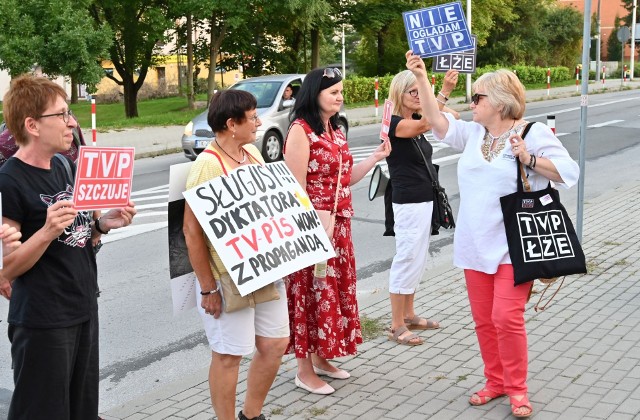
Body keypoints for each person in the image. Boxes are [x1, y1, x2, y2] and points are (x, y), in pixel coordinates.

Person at [405, 50, 579, 418]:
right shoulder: (472, 134)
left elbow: (569, 172)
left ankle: (517, 389)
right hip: (473, 243)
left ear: (499, 102)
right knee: (484, 320)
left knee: (505, 317)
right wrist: (422, 75)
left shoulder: (533, 133)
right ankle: (495, 380)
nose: (472, 103)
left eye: (478, 97)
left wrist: (528, 159)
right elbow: (435, 121)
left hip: (513, 246)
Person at [0, 75, 137, 420]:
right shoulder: (9, 180)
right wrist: (45, 231)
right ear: (32, 125)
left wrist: (104, 224)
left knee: (82, 410)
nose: (71, 122)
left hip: (82, 306)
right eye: (60, 115)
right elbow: (8, 268)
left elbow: (77, 235)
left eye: (69, 113)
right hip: (43, 320)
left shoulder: (63, 164)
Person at [182, 89, 289, 420]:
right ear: (231, 124)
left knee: (275, 344)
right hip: (227, 277)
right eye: (253, 117)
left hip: (263, 268)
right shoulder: (207, 165)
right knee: (229, 355)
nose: (259, 122)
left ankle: (251, 414)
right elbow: (192, 231)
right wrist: (207, 287)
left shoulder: (252, 154)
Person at [283, 67, 391, 394]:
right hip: (312, 229)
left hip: (339, 225)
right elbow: (295, 188)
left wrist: (375, 156)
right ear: (314, 94)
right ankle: (304, 369)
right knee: (309, 294)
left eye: (341, 92)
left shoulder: (335, 129)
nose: (340, 97)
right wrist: (316, 221)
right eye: (333, 92)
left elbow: (346, 178)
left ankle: (321, 358)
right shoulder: (300, 131)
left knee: (331, 292)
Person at [384, 69, 460, 346]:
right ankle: (395, 325)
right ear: (399, 94)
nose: (418, 96)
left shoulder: (415, 116)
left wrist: (430, 97)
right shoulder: (395, 123)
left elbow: (455, 117)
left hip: (425, 197)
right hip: (408, 201)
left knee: (418, 257)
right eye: (412, 92)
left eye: (420, 91)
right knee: (406, 257)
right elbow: (425, 124)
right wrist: (443, 92)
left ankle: (409, 314)